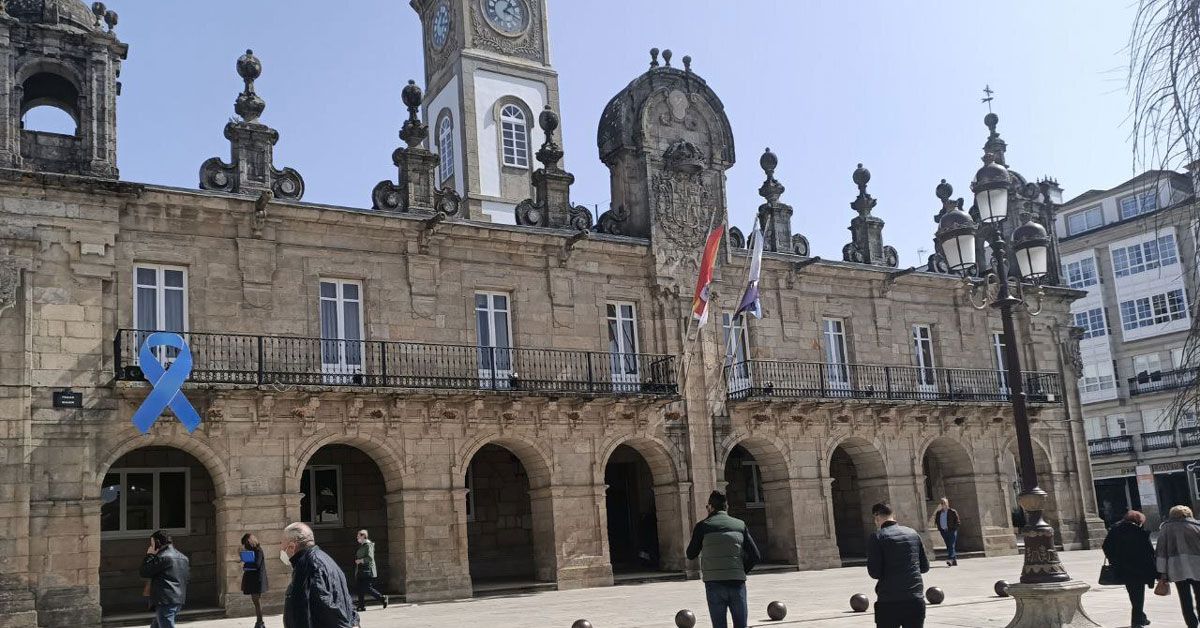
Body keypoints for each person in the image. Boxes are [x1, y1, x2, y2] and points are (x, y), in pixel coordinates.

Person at [685, 490, 761, 628]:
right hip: (737, 582)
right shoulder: (740, 525)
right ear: (727, 507)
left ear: (710, 507)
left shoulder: (702, 526)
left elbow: (690, 554)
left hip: (714, 582)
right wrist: (741, 570)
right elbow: (755, 555)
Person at [281, 522, 359, 628]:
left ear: (291, 546)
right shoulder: (325, 559)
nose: (281, 549)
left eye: (282, 543)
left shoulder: (307, 565)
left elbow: (322, 605)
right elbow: (345, 599)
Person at [867, 502, 929, 628]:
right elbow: (924, 567)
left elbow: (875, 573)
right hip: (915, 598)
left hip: (889, 600)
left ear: (877, 517)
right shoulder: (913, 533)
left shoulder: (877, 537)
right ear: (893, 515)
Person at [1103, 510, 1156, 627]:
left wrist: (1114, 560)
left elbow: (1106, 546)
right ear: (1138, 521)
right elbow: (1149, 552)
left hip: (1122, 568)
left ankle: (1141, 617)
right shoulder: (1138, 531)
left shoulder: (1115, 530)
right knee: (1137, 595)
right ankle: (1137, 621)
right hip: (1138, 568)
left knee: (1134, 594)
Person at [1157, 505, 1200, 628]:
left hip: (1176, 568)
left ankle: (1191, 623)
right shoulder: (1197, 526)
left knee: (1184, 598)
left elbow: (1161, 551)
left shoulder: (1165, 528)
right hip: (1197, 566)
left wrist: (1162, 572)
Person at [138, 530, 190, 628]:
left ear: (157, 543)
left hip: (165, 600)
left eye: (152, 543)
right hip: (177, 599)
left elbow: (144, 572)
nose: (151, 546)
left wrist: (150, 555)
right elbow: (187, 578)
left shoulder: (163, 557)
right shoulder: (183, 558)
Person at [354, 529, 388, 612]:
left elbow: (370, 558)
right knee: (359, 588)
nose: (357, 537)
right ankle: (361, 606)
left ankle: (383, 598)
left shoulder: (368, 545)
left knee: (367, 588)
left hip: (367, 570)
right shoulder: (362, 545)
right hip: (360, 570)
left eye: (358, 536)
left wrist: (360, 560)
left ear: (363, 536)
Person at [240, 533, 269, 628]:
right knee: (255, 601)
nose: (245, 546)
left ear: (250, 541)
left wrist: (246, 565)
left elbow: (257, 565)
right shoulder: (252, 551)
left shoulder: (258, 551)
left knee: (257, 601)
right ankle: (259, 622)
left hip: (257, 580)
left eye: (246, 543)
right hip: (252, 579)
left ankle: (260, 622)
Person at [932, 497, 960, 567]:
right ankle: (954, 561)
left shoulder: (952, 511)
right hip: (943, 531)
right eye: (942, 503)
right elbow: (937, 521)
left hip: (951, 531)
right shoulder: (939, 513)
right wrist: (940, 528)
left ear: (947, 503)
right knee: (948, 546)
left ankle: (950, 559)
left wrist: (953, 529)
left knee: (951, 545)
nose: (943, 504)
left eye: (944, 503)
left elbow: (957, 522)